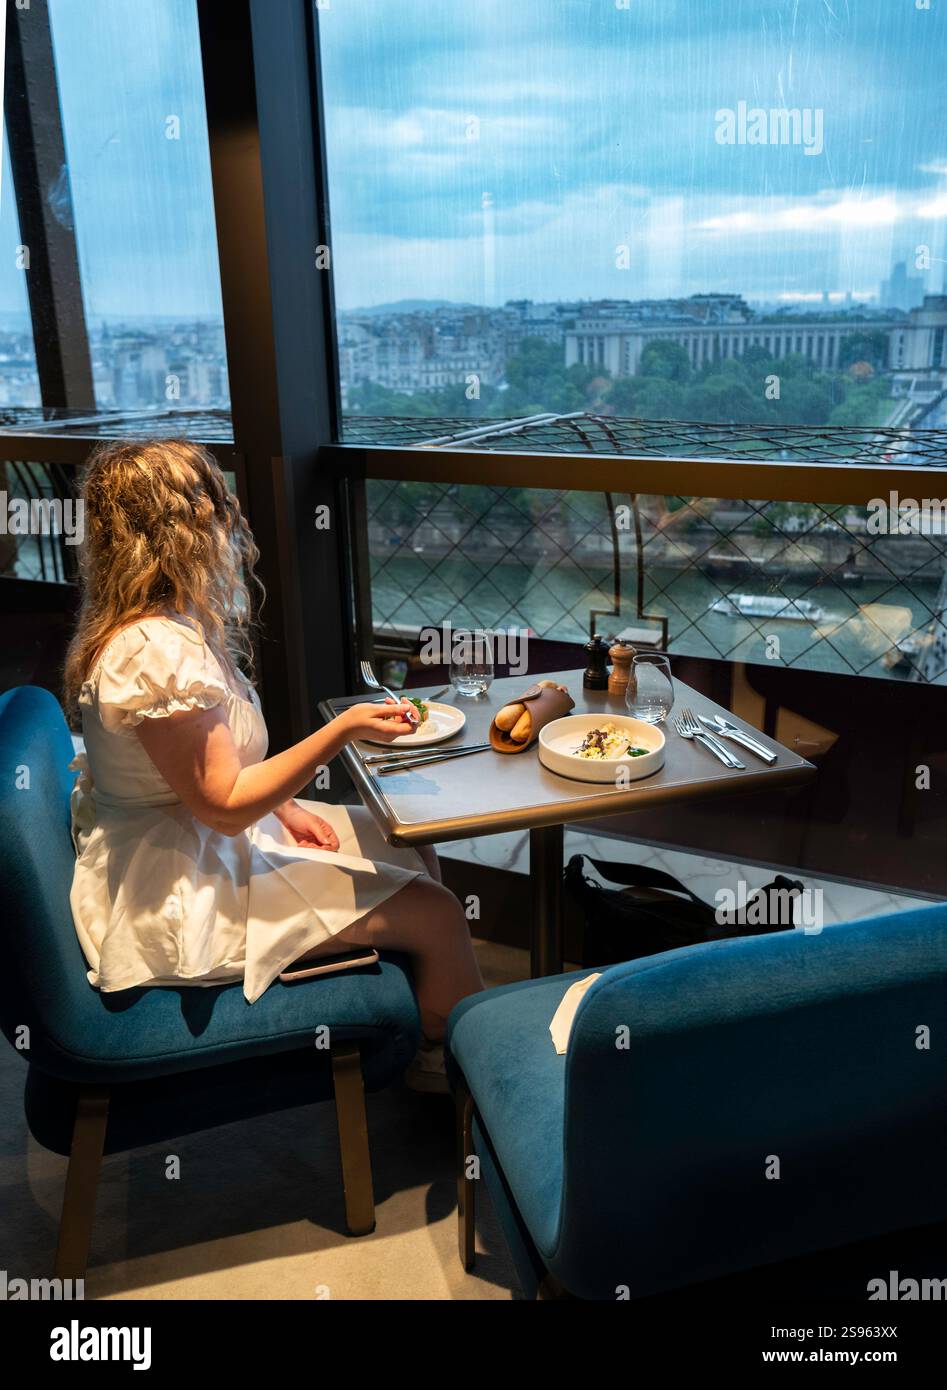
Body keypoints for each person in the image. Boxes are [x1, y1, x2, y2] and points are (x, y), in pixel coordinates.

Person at [64, 439, 483, 1090]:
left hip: (202, 836)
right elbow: (222, 803)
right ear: (175, 529)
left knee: (407, 840)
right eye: (208, 502)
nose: (226, 514)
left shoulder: (164, 624)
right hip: (180, 885)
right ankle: (462, 1073)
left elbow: (199, 768)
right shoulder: (153, 650)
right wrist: (342, 729)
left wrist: (283, 805)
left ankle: (422, 1025)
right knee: (439, 913)